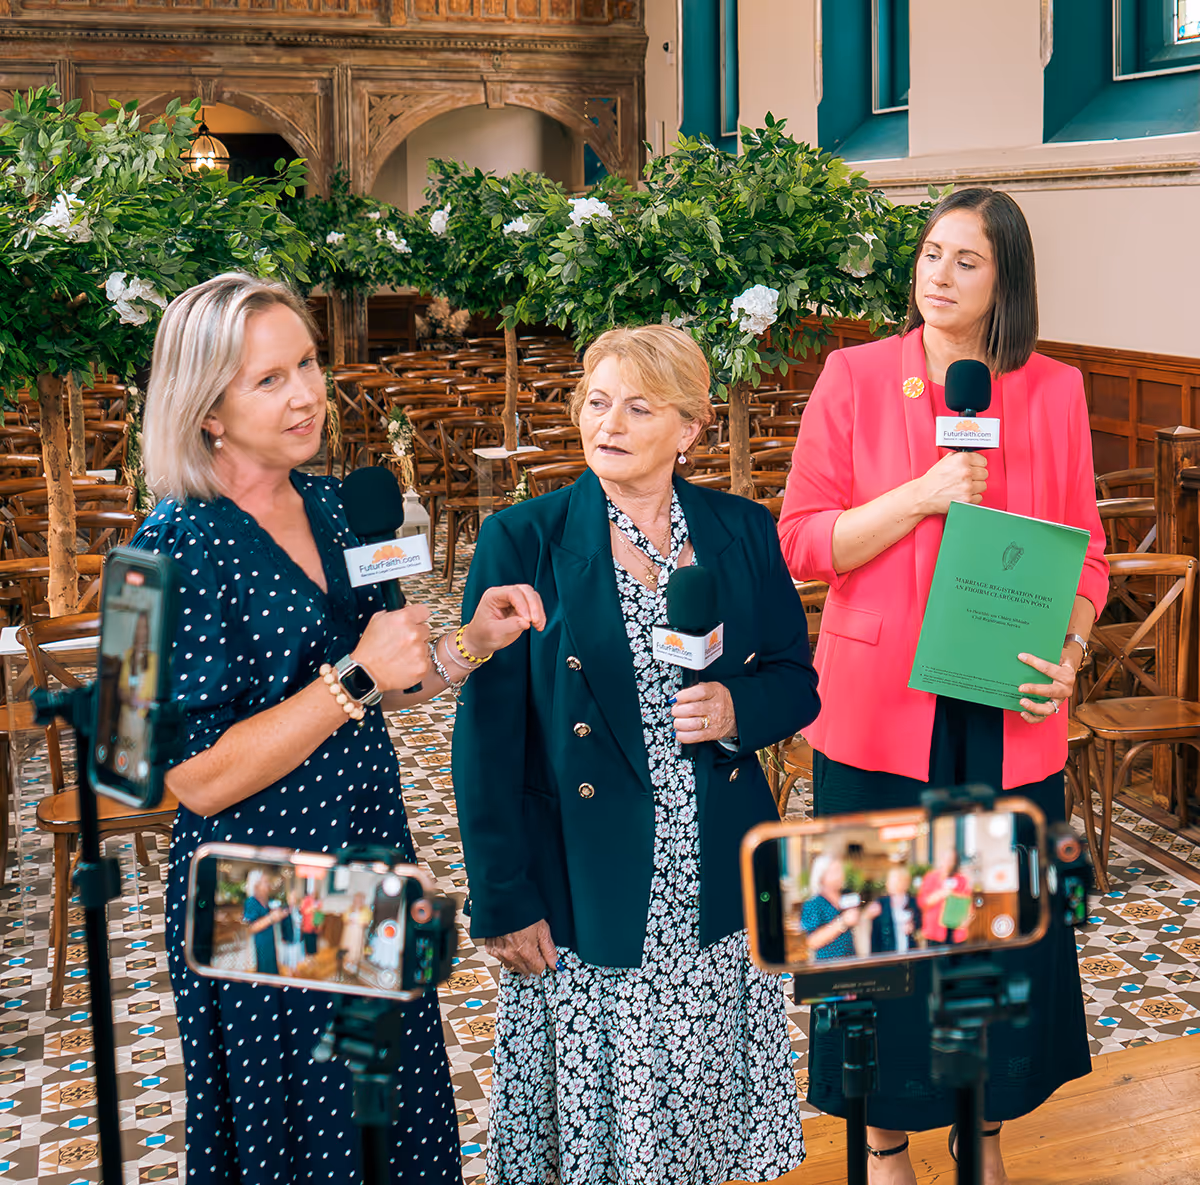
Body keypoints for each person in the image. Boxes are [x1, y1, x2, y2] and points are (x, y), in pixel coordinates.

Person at [133, 271, 547, 1185]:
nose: (308, 393)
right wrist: (354, 676)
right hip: (260, 887)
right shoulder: (166, 547)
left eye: (310, 363)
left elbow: (393, 673)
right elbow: (192, 779)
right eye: (269, 379)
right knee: (303, 1139)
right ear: (207, 410)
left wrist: (468, 644)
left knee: (386, 1117)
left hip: (368, 851)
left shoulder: (337, 506)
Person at [779, 188, 1108, 1183]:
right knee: (876, 950)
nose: (938, 274)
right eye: (930, 252)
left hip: (1003, 714)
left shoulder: (1053, 390)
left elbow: (1085, 553)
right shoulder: (854, 377)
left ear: (1005, 277)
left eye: (967, 260)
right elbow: (800, 541)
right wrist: (920, 497)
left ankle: (984, 1134)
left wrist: (1075, 645)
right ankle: (883, 1146)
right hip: (878, 716)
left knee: (992, 951)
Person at [453, 324, 820, 1185]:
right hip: (586, 878)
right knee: (601, 1131)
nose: (607, 422)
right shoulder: (527, 539)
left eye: (638, 406)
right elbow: (489, 734)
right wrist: (501, 897)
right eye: (597, 400)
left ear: (688, 429)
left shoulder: (740, 529)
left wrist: (738, 705)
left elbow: (797, 680)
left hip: (717, 868)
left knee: (701, 1112)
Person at [800, 854, 880, 961]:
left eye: (841, 870)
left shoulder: (847, 894)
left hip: (853, 960)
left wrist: (866, 914)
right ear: (821, 876)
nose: (841, 875)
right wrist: (842, 922)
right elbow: (812, 942)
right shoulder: (813, 903)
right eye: (835, 871)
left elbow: (856, 921)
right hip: (829, 965)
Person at [917, 851, 972, 945]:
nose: (948, 862)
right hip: (935, 932)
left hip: (956, 931)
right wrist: (940, 894)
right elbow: (922, 902)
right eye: (946, 859)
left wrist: (968, 918)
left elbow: (968, 904)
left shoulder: (962, 880)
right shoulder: (931, 877)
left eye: (951, 860)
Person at [242, 870, 287, 975]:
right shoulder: (251, 902)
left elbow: (267, 919)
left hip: (269, 944)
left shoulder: (265, 901)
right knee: (263, 974)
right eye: (265, 882)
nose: (268, 885)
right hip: (259, 946)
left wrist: (278, 915)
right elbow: (250, 927)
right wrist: (271, 918)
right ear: (256, 885)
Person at [872, 867, 919, 954]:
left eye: (893, 881)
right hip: (887, 955)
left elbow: (919, 925)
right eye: (889, 880)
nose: (888, 883)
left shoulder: (913, 902)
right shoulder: (881, 903)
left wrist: (913, 927)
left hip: (910, 954)